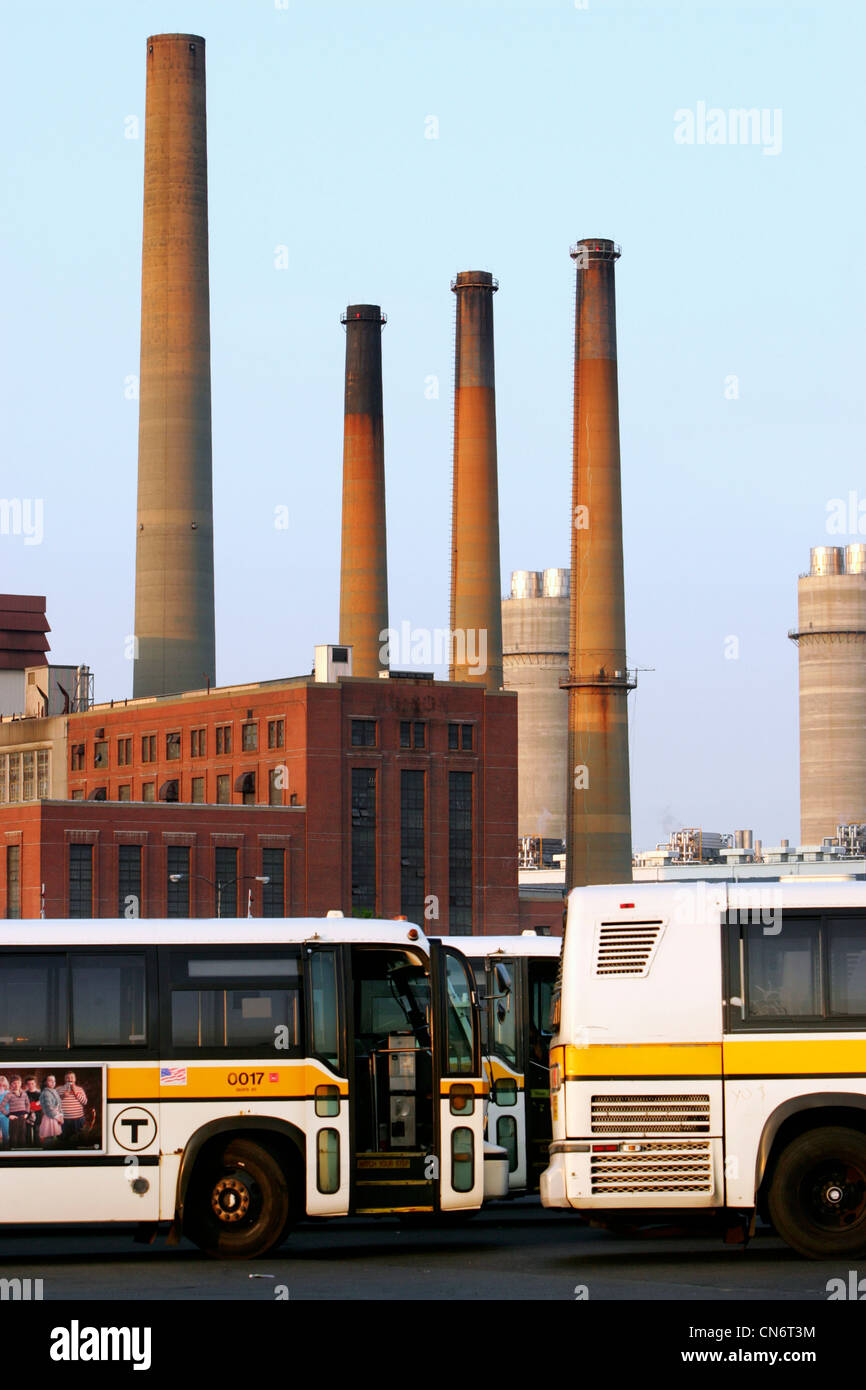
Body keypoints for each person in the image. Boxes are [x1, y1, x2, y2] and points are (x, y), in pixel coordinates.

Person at [59, 1072, 88, 1143]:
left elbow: (85, 1102)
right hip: (63, 1120)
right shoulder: (59, 1089)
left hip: (78, 1120)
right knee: (64, 1141)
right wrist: (62, 1096)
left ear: (75, 1079)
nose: (70, 1079)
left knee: (79, 1140)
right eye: (67, 1077)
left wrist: (76, 1093)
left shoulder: (80, 1089)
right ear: (65, 1079)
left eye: (72, 1077)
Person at [3, 1075, 31, 1147]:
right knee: (13, 1136)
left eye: (18, 1082)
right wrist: (9, 1115)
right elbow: (1, 1107)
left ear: (21, 1083)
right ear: (11, 1084)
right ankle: (12, 1153)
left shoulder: (24, 1094)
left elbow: (27, 1104)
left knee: (22, 1135)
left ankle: (22, 1153)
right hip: (14, 1118)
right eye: (14, 1083)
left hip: (23, 1117)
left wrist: (27, 1113)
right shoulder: (8, 1095)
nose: (16, 1085)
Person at [38, 1075, 63, 1145]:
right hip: (50, 1117)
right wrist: (58, 1118)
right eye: (50, 1081)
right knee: (49, 1137)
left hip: (56, 1116)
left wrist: (61, 1115)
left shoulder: (54, 1091)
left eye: (54, 1081)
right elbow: (48, 1108)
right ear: (46, 1082)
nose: (53, 1083)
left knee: (55, 1137)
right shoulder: (45, 1093)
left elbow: (59, 1105)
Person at [24, 1076, 41, 1147]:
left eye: (32, 1083)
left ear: (35, 1084)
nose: (30, 1085)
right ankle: (28, 1146)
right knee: (27, 1132)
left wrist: (33, 1106)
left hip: (37, 1115)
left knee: (36, 1131)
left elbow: (41, 1105)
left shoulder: (39, 1094)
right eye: (28, 1084)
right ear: (26, 1085)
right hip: (27, 1115)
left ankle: (37, 1146)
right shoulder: (24, 1094)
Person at [0, 1076, 9, 1146]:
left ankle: (6, 1149)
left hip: (5, 1117)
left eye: (3, 1084)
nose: (1, 1086)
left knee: (6, 1134)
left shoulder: (8, 1093)